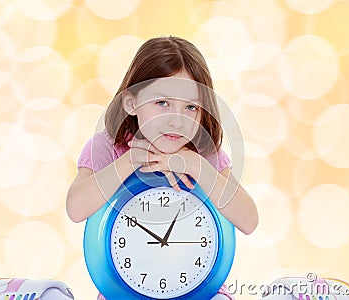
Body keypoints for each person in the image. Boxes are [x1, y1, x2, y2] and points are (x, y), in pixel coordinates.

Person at [66, 36, 259, 300]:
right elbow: (76, 209)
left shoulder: (204, 155)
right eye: (162, 103)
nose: (176, 121)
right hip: (124, 290)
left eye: (190, 107)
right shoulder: (108, 147)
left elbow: (249, 221)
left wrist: (196, 165)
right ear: (131, 103)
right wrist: (130, 160)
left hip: (201, 290)